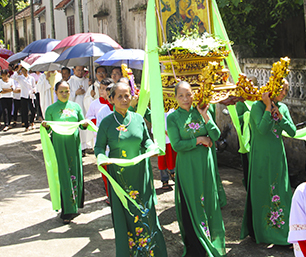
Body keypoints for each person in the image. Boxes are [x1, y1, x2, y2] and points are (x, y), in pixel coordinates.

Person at [94, 82, 167, 256]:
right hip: (119, 178)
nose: (124, 99)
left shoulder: (138, 119)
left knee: (145, 213)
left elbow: (146, 140)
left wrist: (151, 148)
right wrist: (102, 158)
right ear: (111, 99)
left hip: (141, 175)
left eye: (127, 95)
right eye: (119, 96)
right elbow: (98, 148)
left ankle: (150, 252)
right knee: (124, 217)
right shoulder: (106, 123)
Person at [167, 81, 226, 257]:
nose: (186, 99)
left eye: (189, 94)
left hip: (205, 165)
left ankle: (212, 240)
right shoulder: (172, 117)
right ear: (175, 97)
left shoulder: (202, 111)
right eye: (181, 95)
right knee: (193, 202)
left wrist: (205, 115)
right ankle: (197, 245)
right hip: (187, 166)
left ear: (194, 94)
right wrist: (199, 140)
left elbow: (215, 135)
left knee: (208, 200)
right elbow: (177, 145)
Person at [241, 79, 296, 246]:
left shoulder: (283, 108)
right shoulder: (256, 107)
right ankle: (264, 233)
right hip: (261, 158)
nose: (284, 93)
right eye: (281, 89)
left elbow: (292, 132)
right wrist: (267, 107)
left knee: (282, 191)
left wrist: (281, 118)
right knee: (263, 192)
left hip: (278, 157)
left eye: (286, 90)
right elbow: (262, 130)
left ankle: (283, 231)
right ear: (271, 88)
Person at [42, 80, 88, 224]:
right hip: (59, 147)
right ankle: (66, 210)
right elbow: (48, 130)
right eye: (61, 91)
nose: (64, 94)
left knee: (76, 172)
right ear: (55, 93)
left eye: (67, 91)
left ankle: (75, 205)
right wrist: (45, 126)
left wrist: (86, 123)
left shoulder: (75, 107)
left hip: (74, 146)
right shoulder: (51, 109)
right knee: (63, 175)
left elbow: (83, 125)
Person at [12, 64, 36, 131]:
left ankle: (32, 122)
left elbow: (34, 86)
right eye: (22, 71)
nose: (24, 72)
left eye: (25, 70)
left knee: (33, 110)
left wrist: (34, 90)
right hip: (23, 96)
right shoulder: (20, 78)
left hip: (31, 95)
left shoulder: (31, 78)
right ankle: (26, 125)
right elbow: (13, 77)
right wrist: (18, 69)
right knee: (24, 111)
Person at [158, 109, 177, 190]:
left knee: (173, 158)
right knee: (163, 161)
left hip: (172, 139)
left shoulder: (173, 109)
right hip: (162, 140)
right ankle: (164, 180)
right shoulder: (157, 109)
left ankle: (173, 173)